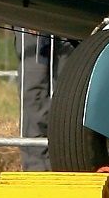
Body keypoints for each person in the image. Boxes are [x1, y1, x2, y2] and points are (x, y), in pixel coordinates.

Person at [17, 31, 76, 171]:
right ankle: (37, 168)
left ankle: (68, 165)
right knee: (34, 95)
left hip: (71, 24)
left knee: (70, 96)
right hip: (33, 19)